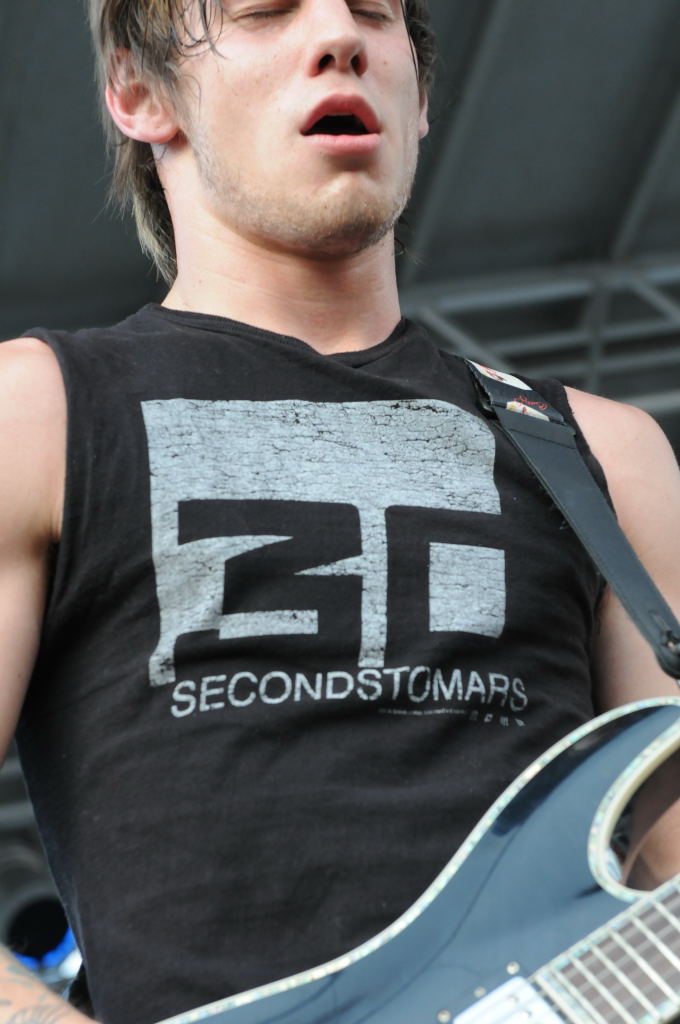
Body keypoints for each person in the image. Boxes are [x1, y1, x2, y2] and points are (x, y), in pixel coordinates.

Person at [1, 1, 679, 1022]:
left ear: (419, 100)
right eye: (265, 10)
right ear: (140, 93)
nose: (339, 36)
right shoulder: (34, 413)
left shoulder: (603, 454)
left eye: (375, 12)